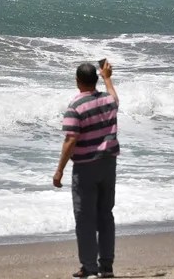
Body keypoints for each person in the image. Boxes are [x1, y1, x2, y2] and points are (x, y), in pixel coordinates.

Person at [53, 60, 119, 279]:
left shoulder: (76, 106)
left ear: (77, 81)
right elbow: (115, 98)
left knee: (85, 219)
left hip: (86, 166)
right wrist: (107, 77)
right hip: (108, 163)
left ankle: (89, 267)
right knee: (105, 215)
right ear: (95, 80)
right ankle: (106, 266)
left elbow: (71, 139)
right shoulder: (108, 100)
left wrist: (60, 169)